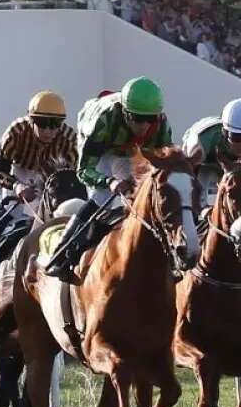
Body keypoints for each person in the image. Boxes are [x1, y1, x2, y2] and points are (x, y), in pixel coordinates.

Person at [42, 77, 174, 283]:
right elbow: (84, 170)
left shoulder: (161, 124)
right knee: (101, 199)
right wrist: (109, 182)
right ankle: (60, 256)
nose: (144, 126)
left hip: (132, 150)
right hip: (102, 149)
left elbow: (166, 165)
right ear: (124, 112)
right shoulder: (104, 121)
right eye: (137, 119)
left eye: (150, 119)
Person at [0, 90, 80, 258]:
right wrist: (17, 186)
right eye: (42, 123)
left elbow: (73, 178)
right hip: (19, 174)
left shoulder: (69, 140)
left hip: (52, 182)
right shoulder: (16, 131)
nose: (48, 131)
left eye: (54, 125)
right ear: (31, 120)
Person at [181, 98, 241, 199]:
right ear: (224, 132)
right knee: (199, 194)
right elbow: (184, 175)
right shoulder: (203, 140)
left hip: (230, 167)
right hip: (204, 164)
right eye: (236, 137)